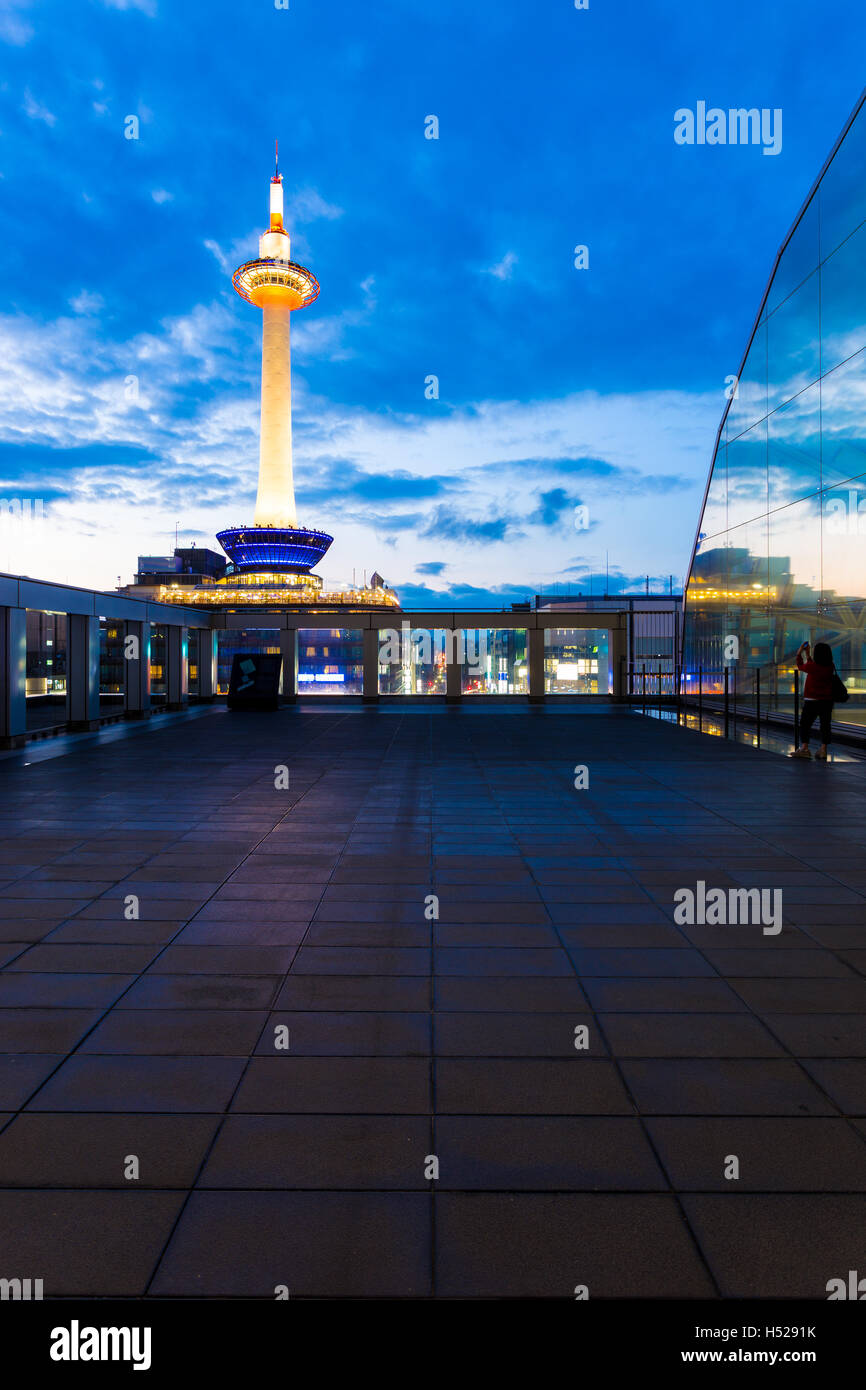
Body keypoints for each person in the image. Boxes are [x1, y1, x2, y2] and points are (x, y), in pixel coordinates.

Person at [790, 640, 834, 760]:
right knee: (825, 725)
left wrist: (799, 654)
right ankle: (823, 750)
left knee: (805, 724)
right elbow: (812, 666)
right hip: (827, 700)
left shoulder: (813, 667)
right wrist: (808, 655)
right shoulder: (830, 666)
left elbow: (801, 666)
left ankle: (805, 748)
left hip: (812, 700)